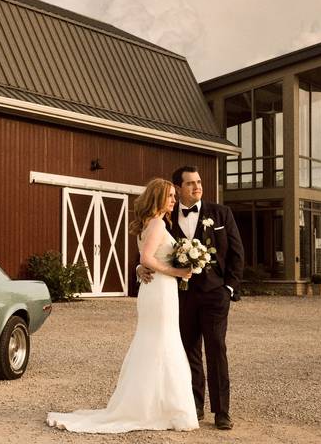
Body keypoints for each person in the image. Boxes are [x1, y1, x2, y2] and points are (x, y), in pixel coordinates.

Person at [46, 178, 199, 433]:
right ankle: (158, 408)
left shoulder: (150, 223)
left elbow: (145, 259)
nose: (174, 200)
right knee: (162, 341)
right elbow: (147, 258)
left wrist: (145, 268)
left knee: (157, 341)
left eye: (175, 196)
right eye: (170, 196)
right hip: (160, 290)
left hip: (156, 289)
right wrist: (177, 271)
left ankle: (156, 404)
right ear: (159, 198)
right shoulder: (158, 223)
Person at [137, 165, 244, 431]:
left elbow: (237, 253)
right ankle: (193, 405)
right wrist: (139, 267)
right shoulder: (166, 217)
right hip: (179, 296)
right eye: (190, 183)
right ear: (178, 188)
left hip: (215, 294)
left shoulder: (221, 213)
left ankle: (222, 411)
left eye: (199, 182)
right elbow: (151, 249)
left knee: (216, 348)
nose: (197, 187)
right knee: (188, 350)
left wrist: (229, 289)